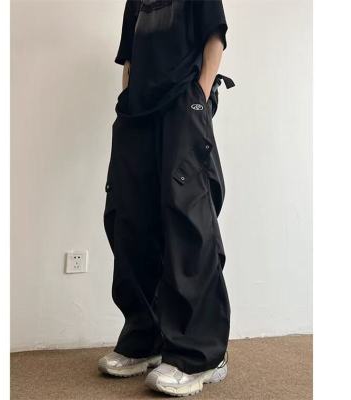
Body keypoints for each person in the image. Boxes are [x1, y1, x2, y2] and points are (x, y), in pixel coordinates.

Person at [98, 0, 234, 396]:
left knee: (188, 222)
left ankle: (202, 355)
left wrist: (198, 98)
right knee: (129, 220)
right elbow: (130, 59)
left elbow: (214, 40)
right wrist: (127, 102)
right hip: (138, 114)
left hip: (182, 105)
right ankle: (146, 338)